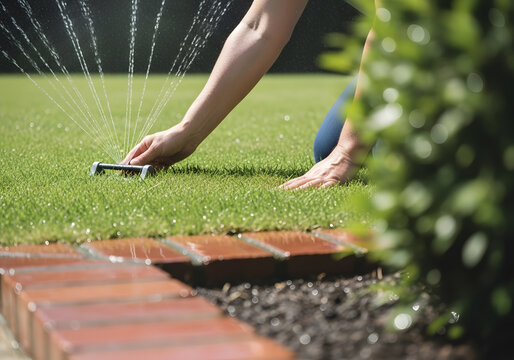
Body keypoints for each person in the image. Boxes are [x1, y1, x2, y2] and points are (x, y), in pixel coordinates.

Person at [123, 0, 375, 189]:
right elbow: (260, 27)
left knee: (380, 151)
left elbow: (396, 27)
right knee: (327, 147)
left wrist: (347, 152)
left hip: (408, 56)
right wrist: (188, 131)